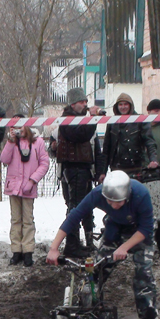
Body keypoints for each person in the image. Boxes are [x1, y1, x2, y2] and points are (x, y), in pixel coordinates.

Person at [46, 171, 158, 319]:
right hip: (114, 228)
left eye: (118, 202)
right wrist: (54, 248)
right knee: (94, 272)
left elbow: (145, 229)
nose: (113, 205)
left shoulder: (140, 195)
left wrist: (124, 247)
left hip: (139, 233)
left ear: (127, 196)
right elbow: (75, 216)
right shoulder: (98, 194)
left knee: (143, 277)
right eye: (109, 201)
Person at [0, 114, 50, 267]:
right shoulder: (12, 142)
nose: (18, 129)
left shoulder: (37, 142)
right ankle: (16, 251)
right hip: (13, 187)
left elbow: (44, 163)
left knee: (28, 220)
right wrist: (10, 141)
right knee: (16, 220)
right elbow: (4, 159)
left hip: (28, 187)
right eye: (15, 126)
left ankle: (28, 251)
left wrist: (32, 180)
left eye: (20, 125)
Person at [57, 87, 100, 257]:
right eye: (82, 102)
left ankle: (77, 243)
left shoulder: (78, 119)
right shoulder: (67, 120)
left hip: (83, 169)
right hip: (74, 169)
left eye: (85, 102)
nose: (85, 105)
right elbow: (81, 135)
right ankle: (71, 245)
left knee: (83, 207)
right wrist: (93, 119)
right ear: (73, 103)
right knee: (75, 207)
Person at [103, 92, 159, 179]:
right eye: (120, 104)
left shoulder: (140, 120)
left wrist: (153, 160)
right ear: (117, 106)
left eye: (125, 104)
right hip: (116, 169)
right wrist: (102, 172)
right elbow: (106, 148)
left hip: (137, 168)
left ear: (130, 105)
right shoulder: (112, 122)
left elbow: (150, 142)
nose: (123, 107)